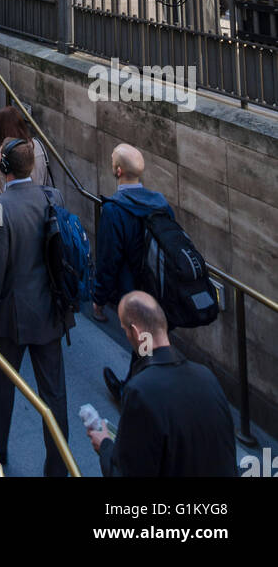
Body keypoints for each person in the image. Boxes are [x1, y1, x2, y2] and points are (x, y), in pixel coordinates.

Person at [0, 137, 72, 476]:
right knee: (54, 393)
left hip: (13, 316)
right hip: (50, 311)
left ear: (4, 168)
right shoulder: (53, 197)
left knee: (1, 387)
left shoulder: (0, 208)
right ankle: (59, 466)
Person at [87, 291, 238, 477]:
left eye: (125, 330)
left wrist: (105, 447)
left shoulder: (140, 391)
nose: (126, 335)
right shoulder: (207, 377)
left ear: (136, 332)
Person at [92, 143, 174, 402]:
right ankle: (131, 386)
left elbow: (108, 259)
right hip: (160, 288)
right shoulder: (160, 202)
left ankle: (137, 396)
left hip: (135, 293)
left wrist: (99, 297)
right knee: (148, 346)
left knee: (145, 346)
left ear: (117, 171)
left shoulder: (114, 210)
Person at [0, 105, 52, 200]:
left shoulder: (4, 152)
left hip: (16, 207)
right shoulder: (38, 145)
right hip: (40, 201)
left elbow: (1, 188)